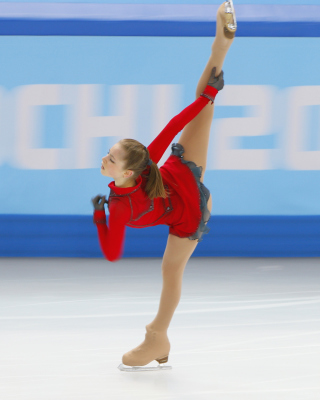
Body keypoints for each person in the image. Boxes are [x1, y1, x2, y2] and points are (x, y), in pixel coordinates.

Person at [92, 1, 237, 371]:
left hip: (186, 209)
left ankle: (158, 336)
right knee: (203, 109)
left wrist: (99, 217)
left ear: (127, 172)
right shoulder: (144, 163)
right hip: (180, 177)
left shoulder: (122, 204)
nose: (104, 159)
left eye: (110, 158)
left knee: (171, 273)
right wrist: (207, 97)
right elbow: (173, 125)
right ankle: (219, 51)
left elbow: (111, 251)